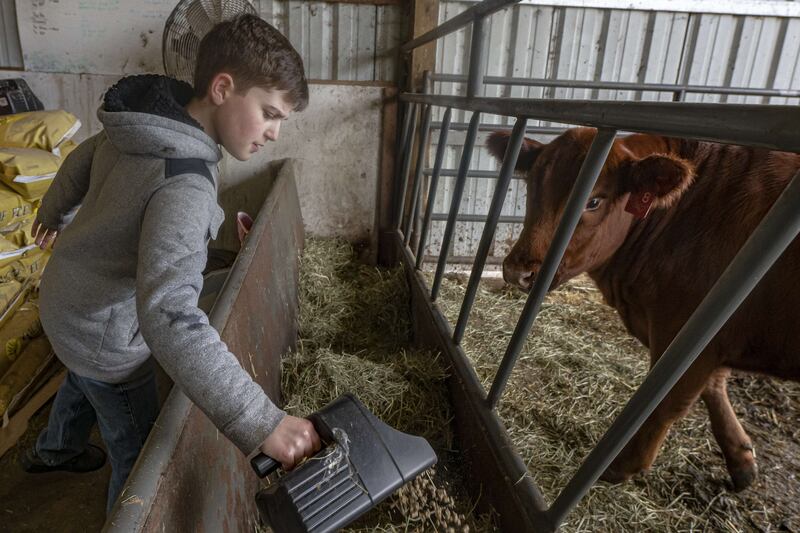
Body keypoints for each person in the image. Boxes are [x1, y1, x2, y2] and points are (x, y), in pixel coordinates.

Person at [20, 14, 320, 514]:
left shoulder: (141, 123)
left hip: (66, 303)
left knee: (81, 374)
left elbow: (79, 161)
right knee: (138, 462)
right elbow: (168, 316)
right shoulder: (185, 183)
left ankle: (55, 449)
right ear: (223, 88)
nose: (274, 133)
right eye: (270, 113)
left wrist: (54, 215)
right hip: (107, 335)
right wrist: (260, 421)